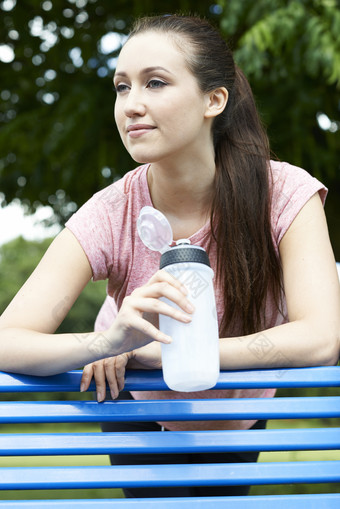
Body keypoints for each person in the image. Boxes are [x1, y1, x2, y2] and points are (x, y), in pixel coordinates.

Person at [0, 14, 339, 499]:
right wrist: (109, 344)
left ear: (213, 100)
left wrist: (163, 354)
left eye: (154, 83)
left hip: (237, 412)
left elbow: (321, 338)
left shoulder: (285, 193)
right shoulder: (109, 211)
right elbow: (7, 339)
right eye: (121, 87)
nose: (131, 105)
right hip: (138, 405)